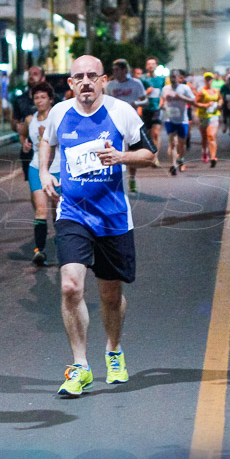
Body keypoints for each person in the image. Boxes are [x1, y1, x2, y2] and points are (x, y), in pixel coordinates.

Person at [39, 55, 157, 396]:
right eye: (79, 77)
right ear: (71, 83)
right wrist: (45, 172)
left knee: (110, 294)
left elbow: (150, 156)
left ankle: (114, 350)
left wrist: (121, 157)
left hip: (113, 217)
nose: (86, 82)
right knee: (70, 286)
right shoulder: (60, 112)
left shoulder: (122, 112)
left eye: (93, 75)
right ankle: (80, 365)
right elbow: (47, 139)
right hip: (73, 212)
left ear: (104, 80)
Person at [20, 81, 61, 265]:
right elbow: (22, 133)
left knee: (58, 211)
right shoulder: (31, 119)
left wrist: (50, 137)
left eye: (43, 97)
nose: (39, 101)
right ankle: (40, 250)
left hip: (58, 169)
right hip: (37, 167)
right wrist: (25, 143)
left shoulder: (58, 117)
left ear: (50, 100)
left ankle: (64, 248)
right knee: (41, 210)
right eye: (36, 97)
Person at [105, 59, 148, 192]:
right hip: (115, 121)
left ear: (125, 70)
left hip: (131, 121)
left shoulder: (136, 83)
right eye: (113, 70)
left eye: (117, 70)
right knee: (116, 149)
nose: (115, 72)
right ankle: (117, 179)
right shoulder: (110, 85)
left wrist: (136, 103)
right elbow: (106, 101)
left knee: (132, 151)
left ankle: (132, 178)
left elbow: (145, 100)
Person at [12, 66, 47, 182]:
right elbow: (14, 121)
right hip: (29, 151)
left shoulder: (53, 99)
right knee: (35, 190)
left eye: (36, 74)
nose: (32, 76)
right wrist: (17, 127)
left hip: (50, 151)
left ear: (43, 78)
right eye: (30, 74)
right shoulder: (20, 99)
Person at [161, 70, 195, 175]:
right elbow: (162, 100)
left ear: (179, 78)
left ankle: (182, 158)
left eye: (175, 77)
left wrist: (181, 97)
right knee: (172, 143)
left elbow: (193, 101)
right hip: (169, 119)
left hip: (182, 120)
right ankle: (173, 165)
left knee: (181, 144)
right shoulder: (165, 89)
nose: (173, 78)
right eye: (171, 76)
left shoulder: (185, 88)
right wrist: (161, 107)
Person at [140, 56, 166, 166]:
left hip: (157, 109)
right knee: (148, 134)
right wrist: (147, 92)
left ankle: (155, 158)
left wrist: (162, 102)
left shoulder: (161, 79)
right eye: (149, 64)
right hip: (146, 109)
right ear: (146, 66)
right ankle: (149, 155)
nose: (151, 66)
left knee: (156, 133)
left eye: (153, 64)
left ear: (156, 65)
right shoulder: (142, 79)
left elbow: (163, 92)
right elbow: (139, 96)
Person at [195, 72, 221, 166]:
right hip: (203, 116)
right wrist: (205, 105)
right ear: (205, 80)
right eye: (207, 79)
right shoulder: (202, 92)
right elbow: (195, 102)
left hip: (214, 115)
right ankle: (205, 152)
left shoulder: (216, 91)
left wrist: (218, 104)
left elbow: (220, 99)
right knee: (204, 137)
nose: (209, 81)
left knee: (211, 135)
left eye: (210, 79)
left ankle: (213, 157)